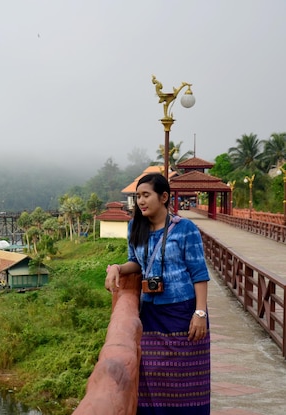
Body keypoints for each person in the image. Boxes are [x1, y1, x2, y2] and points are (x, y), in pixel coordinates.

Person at [105, 173, 210, 415]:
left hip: (183, 313)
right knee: (151, 374)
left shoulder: (185, 229)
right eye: (137, 196)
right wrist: (117, 268)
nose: (140, 201)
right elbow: (136, 263)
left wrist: (200, 312)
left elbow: (199, 273)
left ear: (163, 197)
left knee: (187, 381)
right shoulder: (135, 227)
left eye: (146, 195)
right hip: (151, 313)